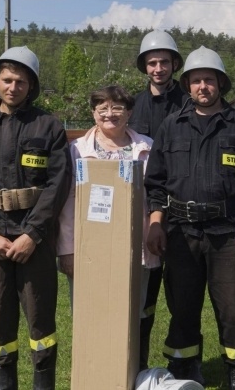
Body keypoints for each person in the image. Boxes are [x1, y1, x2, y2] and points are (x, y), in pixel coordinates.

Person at [144, 46, 235, 390]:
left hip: (228, 233)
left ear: (221, 84)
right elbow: (155, 181)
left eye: (210, 80)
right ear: (187, 85)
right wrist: (156, 222)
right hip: (180, 232)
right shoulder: (172, 126)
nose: (203, 86)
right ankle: (186, 367)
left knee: (232, 309)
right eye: (197, 80)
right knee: (183, 307)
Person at [0, 46, 72, 390]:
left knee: (41, 322)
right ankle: (3, 383)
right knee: (0, 321)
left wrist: (32, 235)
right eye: (7, 79)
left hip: (33, 242)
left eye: (21, 81)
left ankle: (43, 383)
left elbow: (57, 184)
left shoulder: (48, 127)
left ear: (31, 85)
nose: (13, 87)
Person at [56, 86, 159, 311]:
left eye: (117, 108)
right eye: (102, 108)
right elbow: (67, 203)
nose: (109, 114)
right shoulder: (77, 151)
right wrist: (67, 249)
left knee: (130, 313)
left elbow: (156, 194)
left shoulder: (147, 148)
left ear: (129, 113)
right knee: (91, 313)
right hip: (89, 249)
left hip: (135, 246)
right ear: (93, 113)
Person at [129, 30, 187, 370]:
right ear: (144, 66)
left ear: (175, 63)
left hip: (181, 210)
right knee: (142, 297)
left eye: (164, 61)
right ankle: (136, 363)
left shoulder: (190, 100)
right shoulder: (133, 105)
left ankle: (182, 363)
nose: (159, 68)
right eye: (152, 62)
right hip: (142, 210)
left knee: (182, 295)